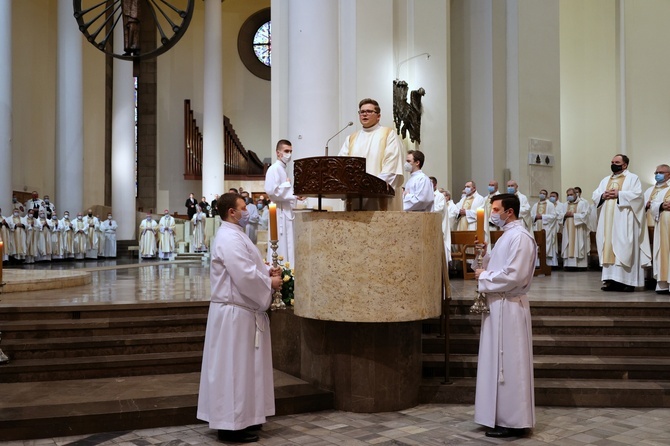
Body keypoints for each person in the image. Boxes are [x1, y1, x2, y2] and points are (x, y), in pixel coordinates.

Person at [197, 193, 283, 444]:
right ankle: (230, 427)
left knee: (243, 370)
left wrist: (267, 269)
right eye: (244, 208)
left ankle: (244, 419)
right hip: (233, 315)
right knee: (232, 370)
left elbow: (248, 265)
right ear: (232, 212)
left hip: (241, 312)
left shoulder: (234, 234)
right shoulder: (229, 237)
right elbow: (244, 275)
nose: (248, 211)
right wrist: (269, 282)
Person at [474, 193, 536, 438]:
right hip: (497, 306)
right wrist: (484, 255)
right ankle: (497, 415)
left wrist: (484, 277)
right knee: (497, 363)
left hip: (509, 307)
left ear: (509, 211)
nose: (493, 213)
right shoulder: (506, 236)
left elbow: (515, 275)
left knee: (510, 364)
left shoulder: (520, 237)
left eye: (496, 209)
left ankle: (514, 421)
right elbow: (493, 268)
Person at [592, 154, 651, 291]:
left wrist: (619, 194)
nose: (613, 164)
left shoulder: (632, 178)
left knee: (624, 247)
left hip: (625, 221)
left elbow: (638, 196)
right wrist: (603, 196)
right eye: (612, 162)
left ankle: (628, 282)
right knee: (608, 247)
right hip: (608, 223)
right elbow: (595, 195)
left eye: (617, 162)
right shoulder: (605, 180)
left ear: (625, 165)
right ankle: (612, 281)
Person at [338, 98, 405, 210]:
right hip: (355, 196)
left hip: (379, 196)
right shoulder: (351, 138)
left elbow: (391, 165)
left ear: (378, 116)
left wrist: (370, 188)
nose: (365, 114)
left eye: (369, 111)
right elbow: (341, 164)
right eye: (362, 112)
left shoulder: (388, 134)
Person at [264, 139, 303, 266]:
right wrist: (287, 185)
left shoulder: (282, 169)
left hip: (285, 210)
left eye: (291, 151)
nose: (289, 154)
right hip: (279, 212)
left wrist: (296, 195)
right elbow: (271, 191)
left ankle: (289, 273)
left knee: (288, 243)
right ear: (278, 153)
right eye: (286, 151)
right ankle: (280, 271)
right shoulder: (273, 169)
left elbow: (285, 193)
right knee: (280, 244)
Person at [561, 188, 591, 270]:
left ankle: (581, 265)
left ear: (576, 195)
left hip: (578, 229)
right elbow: (559, 216)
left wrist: (574, 215)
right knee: (568, 244)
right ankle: (568, 265)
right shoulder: (564, 205)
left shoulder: (582, 203)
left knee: (578, 244)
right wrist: (565, 215)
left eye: (571, 195)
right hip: (567, 229)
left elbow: (585, 215)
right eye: (568, 195)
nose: (569, 196)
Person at [650, 182, 670, 294]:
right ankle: (664, 285)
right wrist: (662, 205)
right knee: (664, 252)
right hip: (664, 228)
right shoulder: (663, 191)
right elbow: (653, 205)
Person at [530, 189, 559, 267]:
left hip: (546, 227)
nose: (542, 195)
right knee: (537, 244)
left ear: (546, 196)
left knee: (546, 244)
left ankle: (549, 264)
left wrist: (542, 216)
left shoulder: (550, 205)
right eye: (541, 193)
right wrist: (535, 217)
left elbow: (553, 216)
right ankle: (538, 264)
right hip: (536, 227)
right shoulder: (535, 205)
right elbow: (531, 216)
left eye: (544, 194)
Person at [644, 164, 670, 231]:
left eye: (661, 173)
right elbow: (641, 204)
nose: (658, 174)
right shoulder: (649, 190)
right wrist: (646, 205)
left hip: (666, 222)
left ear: (669, 174)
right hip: (649, 222)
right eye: (656, 173)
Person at [430, 177, 450, 261]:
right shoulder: (427, 195)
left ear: (435, 185)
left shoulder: (440, 196)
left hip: (439, 225)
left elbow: (439, 208)